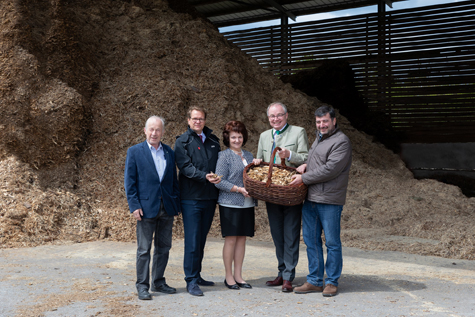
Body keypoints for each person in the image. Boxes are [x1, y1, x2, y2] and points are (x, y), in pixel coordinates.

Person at [290, 105, 352, 297]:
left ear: (334, 121)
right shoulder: (319, 138)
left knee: (332, 242)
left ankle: (331, 282)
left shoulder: (342, 141)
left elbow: (331, 169)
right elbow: (319, 161)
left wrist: (304, 178)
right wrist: (306, 165)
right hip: (311, 198)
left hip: (329, 200)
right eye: (318, 122)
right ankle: (315, 281)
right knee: (311, 241)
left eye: (325, 121)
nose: (321, 125)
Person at [124, 116, 181, 301]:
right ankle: (142, 286)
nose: (154, 133)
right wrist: (134, 206)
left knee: (164, 247)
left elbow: (173, 181)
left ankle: (158, 281)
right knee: (143, 249)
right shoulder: (134, 152)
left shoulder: (169, 152)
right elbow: (130, 183)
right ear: (145, 130)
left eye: (158, 130)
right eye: (151, 129)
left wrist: (175, 203)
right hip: (145, 208)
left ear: (162, 132)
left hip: (167, 207)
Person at [255, 101, 309, 292]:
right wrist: (257, 161)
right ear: (268, 118)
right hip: (272, 192)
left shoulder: (298, 132)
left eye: (279, 115)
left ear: (286, 116)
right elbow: (260, 163)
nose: (275, 119)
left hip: (291, 190)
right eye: (272, 116)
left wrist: (290, 154)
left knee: (291, 233)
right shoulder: (263, 136)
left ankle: (288, 276)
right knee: (277, 233)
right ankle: (281, 271)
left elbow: (307, 157)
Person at [174, 106, 221, 296]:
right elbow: (185, 167)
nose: (198, 122)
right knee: (192, 241)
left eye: (201, 119)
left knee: (201, 239)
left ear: (205, 120)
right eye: (194, 119)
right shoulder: (182, 142)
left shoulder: (213, 141)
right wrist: (205, 176)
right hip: (191, 198)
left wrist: (219, 177)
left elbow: (219, 164)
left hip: (209, 197)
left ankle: (197, 274)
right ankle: (191, 280)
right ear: (188, 120)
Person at [214, 121, 258, 290]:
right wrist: (239, 189)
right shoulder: (224, 156)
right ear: (227, 138)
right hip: (230, 203)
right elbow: (219, 181)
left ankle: (239, 276)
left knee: (242, 240)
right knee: (231, 240)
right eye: (233, 137)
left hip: (247, 204)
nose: (237, 140)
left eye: (239, 136)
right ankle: (229, 277)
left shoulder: (249, 155)